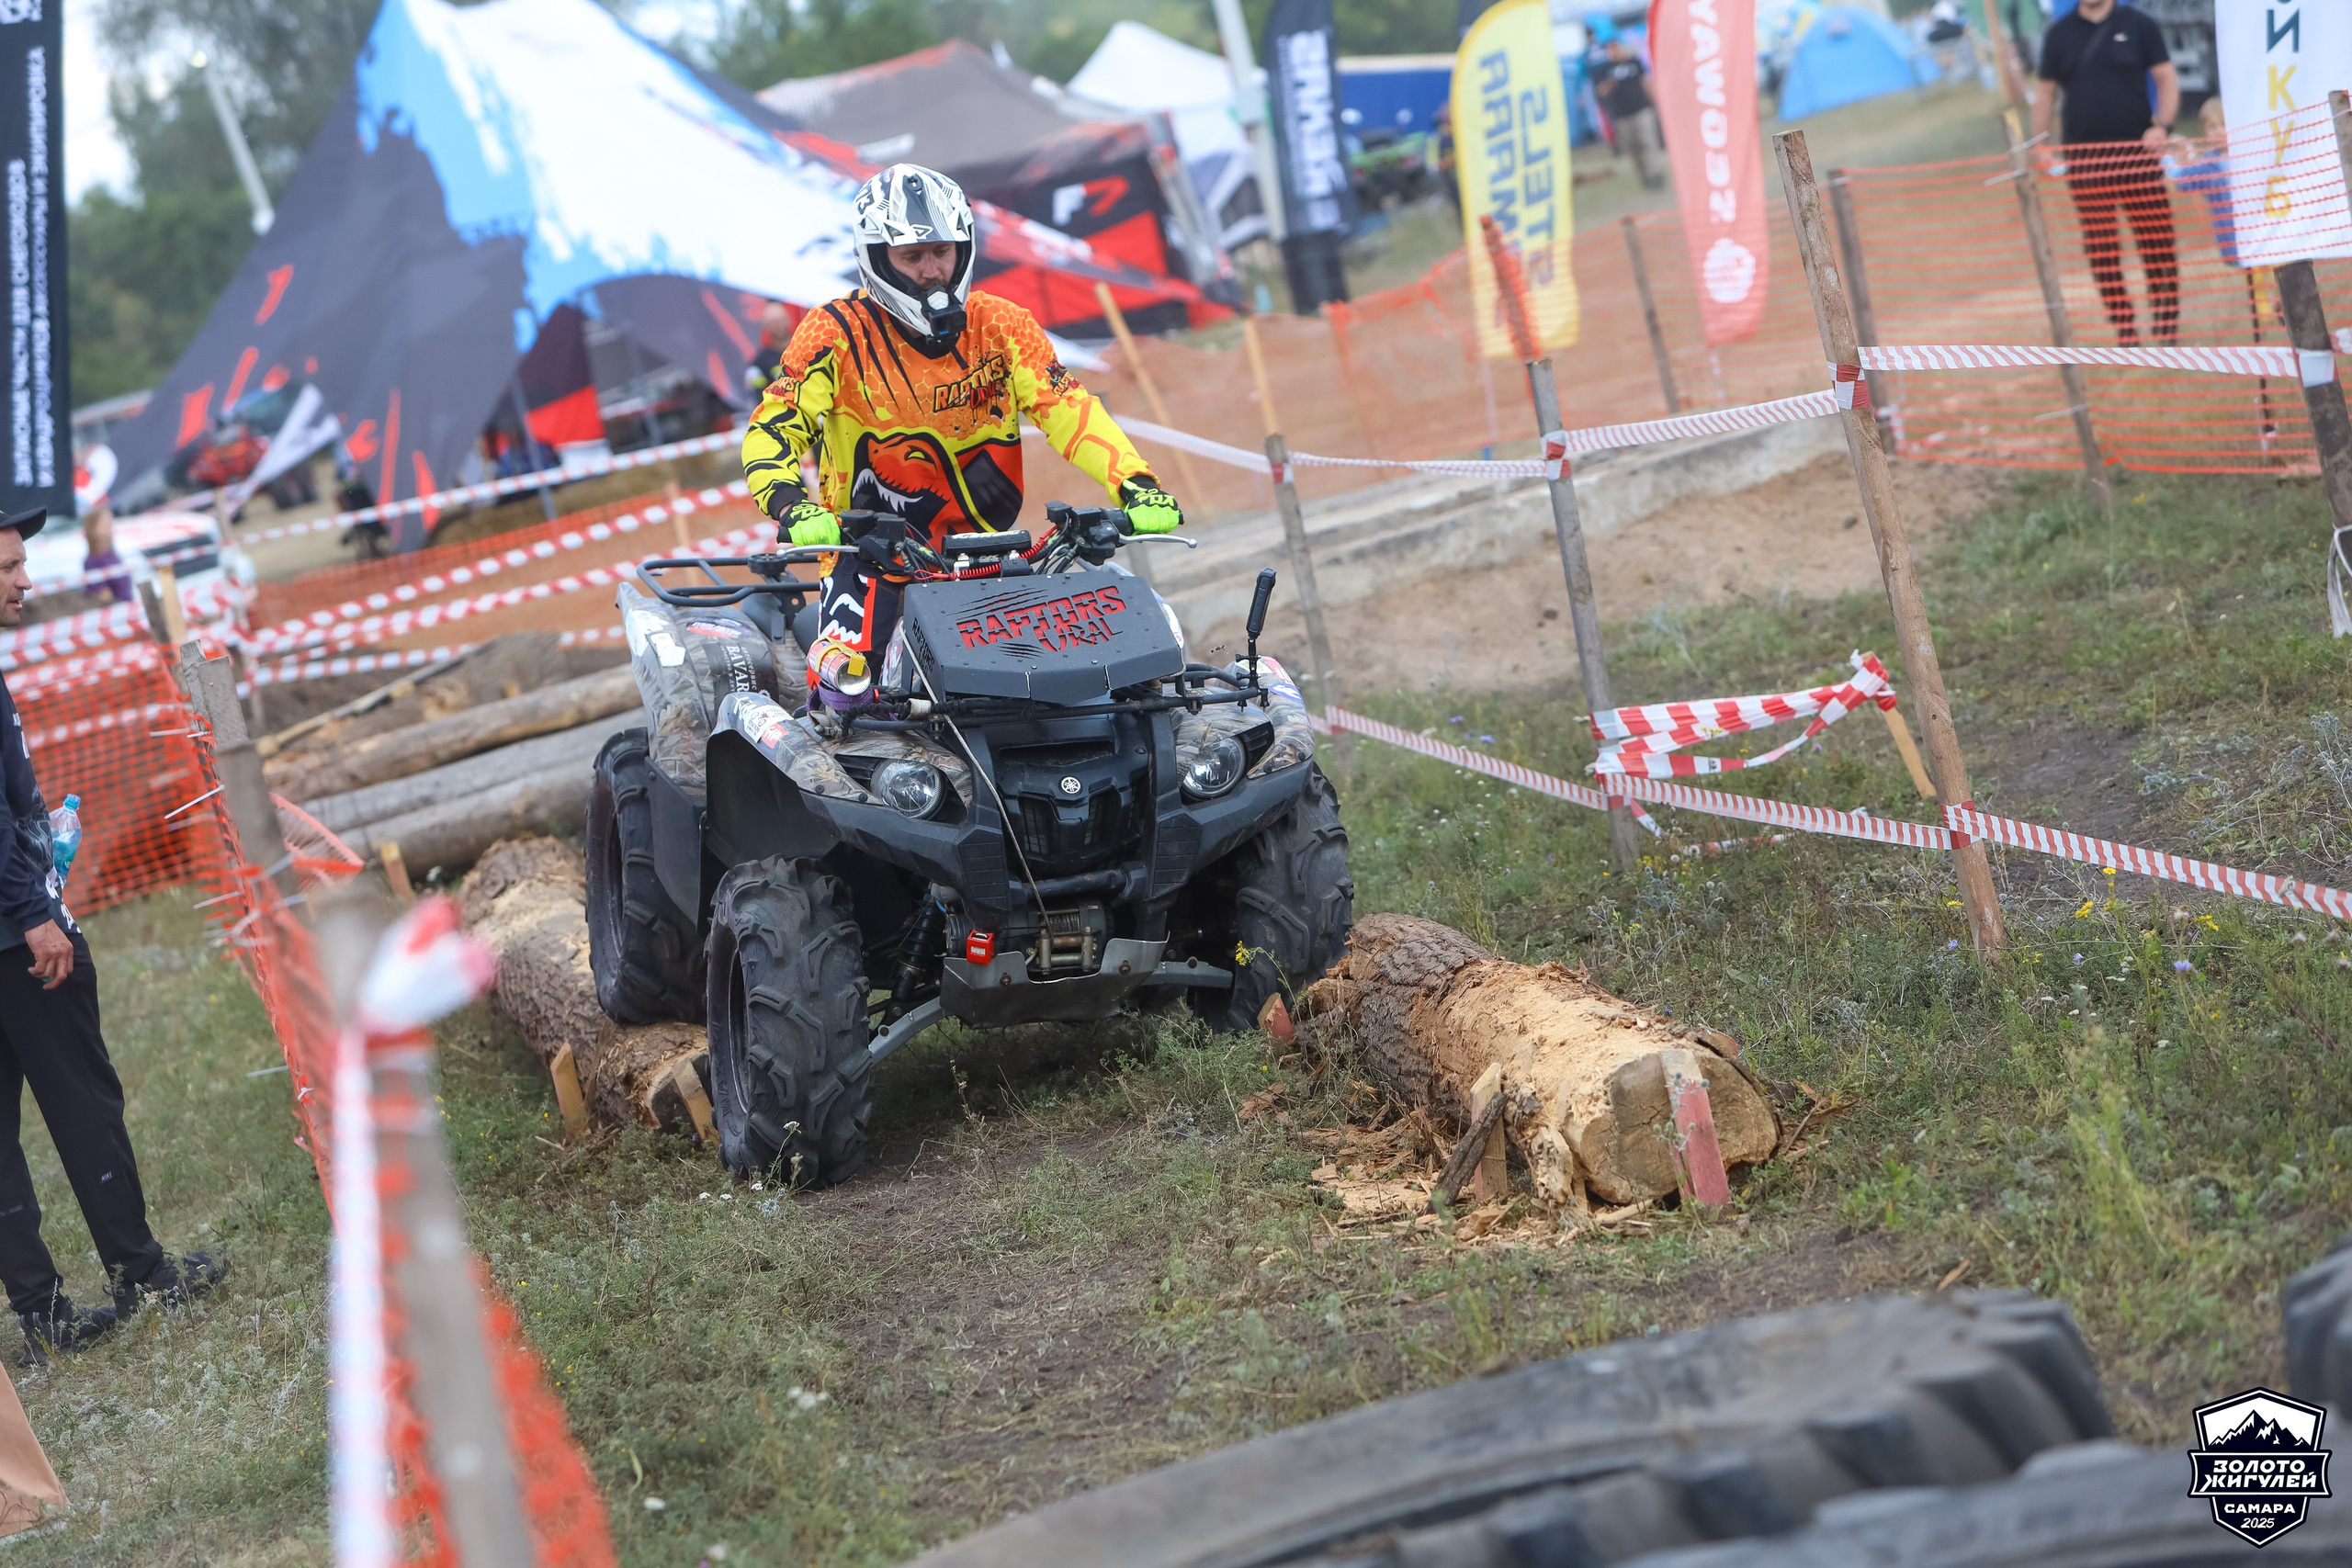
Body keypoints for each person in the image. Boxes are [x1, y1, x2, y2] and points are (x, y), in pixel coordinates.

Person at [741, 164, 1185, 699]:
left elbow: (1067, 406)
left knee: (1094, 686)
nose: (933, 271)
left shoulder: (1003, 324)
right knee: (850, 700)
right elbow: (773, 427)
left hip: (989, 554)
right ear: (876, 258)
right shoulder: (834, 333)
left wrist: (1136, 484)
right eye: (912, 256)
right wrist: (793, 505)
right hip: (869, 559)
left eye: (943, 251)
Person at [0, 506, 227, 1365]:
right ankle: (141, 1271)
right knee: (83, 1101)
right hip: (13, 936)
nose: (27, 580)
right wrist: (30, 910)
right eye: (11, 566)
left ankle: (41, 1314)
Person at [2033, 0, 2182, 345]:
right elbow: (2044, 93)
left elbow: (2166, 78)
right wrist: (2039, 146)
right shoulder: (2058, 34)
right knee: (2102, 249)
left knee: (2157, 243)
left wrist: (2164, 126)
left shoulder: (2140, 24)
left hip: (2139, 155)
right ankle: (2125, 330)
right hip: (2085, 160)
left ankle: (2166, 325)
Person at [1594, 39, 1665, 192]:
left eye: (1615, 48)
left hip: (1641, 109)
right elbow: (1601, 91)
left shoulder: (1634, 62)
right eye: (1610, 50)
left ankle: (1655, 174)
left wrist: (1655, 101)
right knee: (1633, 149)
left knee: (1648, 142)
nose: (1613, 52)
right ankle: (1645, 176)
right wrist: (1610, 82)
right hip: (1622, 115)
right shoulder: (1605, 69)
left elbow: (1645, 81)